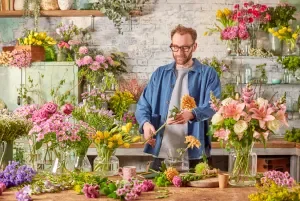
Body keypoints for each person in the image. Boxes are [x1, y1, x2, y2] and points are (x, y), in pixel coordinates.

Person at [135, 24, 221, 171]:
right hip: (162, 153)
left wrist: (193, 114)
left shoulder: (208, 74)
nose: (179, 52)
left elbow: (214, 105)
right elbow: (143, 105)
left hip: (196, 155)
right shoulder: (160, 74)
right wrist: (145, 124)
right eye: (175, 47)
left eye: (185, 48)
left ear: (194, 47)